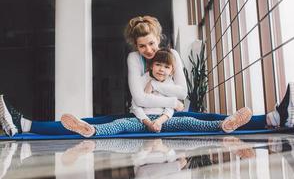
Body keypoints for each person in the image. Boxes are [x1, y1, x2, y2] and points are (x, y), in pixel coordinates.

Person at [0, 15, 291, 137]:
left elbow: (183, 95)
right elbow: (137, 98)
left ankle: (275, 118)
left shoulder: (172, 55)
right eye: (142, 46)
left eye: (151, 43)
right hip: (141, 115)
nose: (149, 51)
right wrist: (164, 91)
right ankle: (24, 124)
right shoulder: (132, 59)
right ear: (135, 46)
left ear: (158, 38)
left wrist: (156, 87)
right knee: (94, 123)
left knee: (209, 118)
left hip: (167, 116)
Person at [60, 48, 253, 137]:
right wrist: (146, 122)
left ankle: (225, 124)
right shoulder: (143, 80)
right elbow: (135, 106)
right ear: (151, 66)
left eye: (166, 67)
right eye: (158, 65)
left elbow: (171, 109)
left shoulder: (171, 85)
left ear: (171, 70)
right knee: (119, 124)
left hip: (164, 122)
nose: (161, 69)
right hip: (141, 121)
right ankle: (90, 130)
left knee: (190, 122)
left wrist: (159, 121)